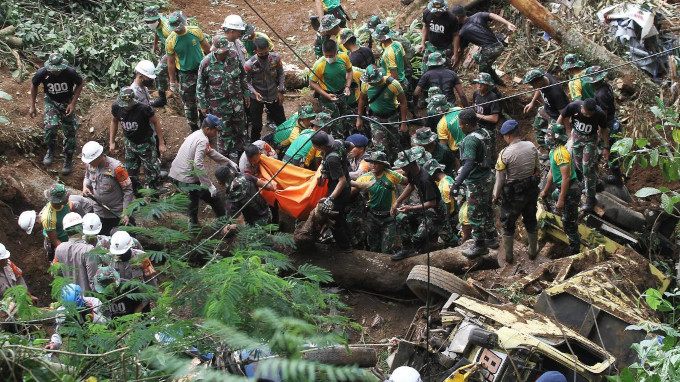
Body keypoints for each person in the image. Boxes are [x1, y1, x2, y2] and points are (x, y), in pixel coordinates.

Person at [169, 115, 238, 227]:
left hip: (175, 175)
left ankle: (193, 224)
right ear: (207, 129)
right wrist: (209, 185)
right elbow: (198, 164)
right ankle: (224, 225)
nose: (216, 134)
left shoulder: (196, 134)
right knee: (214, 197)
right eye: (215, 130)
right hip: (186, 178)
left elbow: (211, 152)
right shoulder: (202, 140)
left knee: (194, 198)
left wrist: (228, 162)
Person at [492, 120, 540, 263]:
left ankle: (509, 256)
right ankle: (532, 251)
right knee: (531, 220)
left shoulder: (505, 154)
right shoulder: (532, 147)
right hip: (531, 190)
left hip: (513, 195)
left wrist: (495, 196)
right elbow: (537, 169)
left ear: (507, 136)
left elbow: (500, 179)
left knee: (508, 224)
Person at [29, 53, 85, 175]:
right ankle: (50, 150)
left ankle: (68, 158)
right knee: (50, 126)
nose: (56, 72)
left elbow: (80, 83)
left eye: (58, 70)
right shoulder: (42, 73)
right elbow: (34, 85)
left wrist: (73, 103)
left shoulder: (70, 72)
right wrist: (32, 106)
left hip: (66, 101)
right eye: (53, 70)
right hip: (51, 101)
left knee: (69, 131)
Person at [197, 35, 251, 159]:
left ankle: (241, 157)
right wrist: (203, 105)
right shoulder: (206, 63)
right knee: (223, 133)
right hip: (219, 106)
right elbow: (200, 86)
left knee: (241, 130)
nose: (226, 53)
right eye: (223, 51)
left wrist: (246, 92)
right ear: (215, 50)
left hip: (236, 101)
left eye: (227, 50)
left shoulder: (233, 56)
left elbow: (242, 75)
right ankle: (225, 161)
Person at [452, 109, 496, 258]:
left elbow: (469, 164)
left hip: (477, 181)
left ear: (467, 125)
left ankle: (479, 245)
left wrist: (457, 183)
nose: (459, 127)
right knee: (487, 208)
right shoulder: (484, 132)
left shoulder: (471, 140)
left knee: (475, 213)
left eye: (460, 124)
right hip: (489, 176)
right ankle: (491, 237)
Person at [390, 149, 448, 260]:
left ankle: (417, 248)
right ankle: (407, 248)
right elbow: (411, 185)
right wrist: (397, 202)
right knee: (401, 217)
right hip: (422, 205)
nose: (401, 168)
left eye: (403, 166)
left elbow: (433, 203)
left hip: (435, 210)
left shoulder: (425, 179)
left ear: (411, 164)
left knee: (421, 236)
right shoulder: (412, 172)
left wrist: (411, 208)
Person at [109, 87, 166, 192]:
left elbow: (156, 122)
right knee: (131, 174)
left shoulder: (143, 108)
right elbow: (114, 121)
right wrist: (111, 141)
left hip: (146, 144)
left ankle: (155, 195)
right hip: (130, 143)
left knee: (152, 172)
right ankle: (138, 195)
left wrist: (161, 143)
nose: (127, 107)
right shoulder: (116, 107)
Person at [557, 98, 609, 212]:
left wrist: (606, 147)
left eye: (590, 115)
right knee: (578, 164)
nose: (587, 116)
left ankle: (591, 198)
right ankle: (596, 182)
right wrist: (559, 131)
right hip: (576, 137)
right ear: (582, 108)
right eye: (585, 113)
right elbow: (562, 117)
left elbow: (604, 129)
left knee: (586, 168)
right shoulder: (574, 106)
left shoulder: (599, 114)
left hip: (590, 140)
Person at [351, 151, 407, 253]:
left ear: (383, 164)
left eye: (376, 163)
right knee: (373, 248)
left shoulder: (391, 175)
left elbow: (407, 182)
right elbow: (351, 191)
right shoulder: (365, 177)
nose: (373, 165)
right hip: (372, 217)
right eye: (371, 162)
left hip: (389, 217)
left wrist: (400, 201)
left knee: (388, 249)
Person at [165, 10, 211, 131]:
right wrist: (172, 81)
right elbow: (170, 62)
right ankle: (193, 127)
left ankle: (205, 124)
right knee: (189, 102)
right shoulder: (171, 40)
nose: (177, 30)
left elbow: (207, 48)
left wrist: (212, 65)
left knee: (204, 98)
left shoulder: (195, 31)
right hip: (185, 74)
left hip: (201, 69)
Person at [540, 123, 581, 255]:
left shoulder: (561, 153)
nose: (546, 137)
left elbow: (566, 178)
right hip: (562, 188)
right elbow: (551, 173)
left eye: (549, 135)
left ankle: (575, 251)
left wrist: (562, 199)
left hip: (570, 189)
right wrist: (545, 191)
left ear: (555, 137)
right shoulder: (553, 151)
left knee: (569, 224)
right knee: (554, 200)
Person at [452, 5, 516, 86]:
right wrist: (508, 23)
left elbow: (461, 50)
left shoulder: (463, 32)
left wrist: (456, 60)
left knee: (483, 77)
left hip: (490, 50)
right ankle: (498, 81)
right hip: (499, 44)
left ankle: (496, 94)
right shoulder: (478, 15)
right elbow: (493, 15)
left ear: (457, 17)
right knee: (477, 57)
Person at [81, 141, 134, 236]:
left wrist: (126, 212)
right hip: (99, 212)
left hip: (116, 213)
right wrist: (85, 187)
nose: (89, 164)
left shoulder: (117, 168)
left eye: (91, 161)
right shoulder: (90, 165)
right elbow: (87, 177)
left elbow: (128, 190)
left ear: (99, 157)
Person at [356, 65, 408, 160]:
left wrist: (403, 123)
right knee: (380, 146)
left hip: (392, 116)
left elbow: (403, 102)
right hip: (375, 117)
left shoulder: (393, 84)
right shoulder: (365, 85)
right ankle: (384, 164)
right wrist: (359, 118)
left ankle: (395, 163)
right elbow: (362, 100)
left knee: (395, 143)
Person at [313, 131, 352, 252]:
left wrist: (331, 199)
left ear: (319, 147)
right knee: (340, 216)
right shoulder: (339, 143)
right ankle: (350, 240)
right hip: (345, 186)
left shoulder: (332, 159)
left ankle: (345, 247)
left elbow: (342, 181)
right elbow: (351, 145)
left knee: (333, 218)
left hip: (339, 189)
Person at [582, 66, 622, 184]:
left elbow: (603, 115)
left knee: (605, 149)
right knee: (610, 148)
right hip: (612, 120)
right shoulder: (606, 86)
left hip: (608, 124)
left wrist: (599, 132)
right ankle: (616, 174)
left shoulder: (600, 94)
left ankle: (615, 177)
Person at [245, 37, 286, 143]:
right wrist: (254, 92)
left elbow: (281, 73)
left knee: (281, 121)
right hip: (257, 96)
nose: (264, 55)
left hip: (273, 94)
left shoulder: (275, 58)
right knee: (256, 124)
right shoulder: (250, 64)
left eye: (266, 52)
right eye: (261, 53)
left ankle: (284, 140)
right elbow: (246, 82)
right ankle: (254, 143)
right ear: (255, 51)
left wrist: (281, 91)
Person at [309, 39, 353, 135]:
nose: (329, 58)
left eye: (331, 56)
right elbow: (312, 82)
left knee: (346, 117)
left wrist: (347, 86)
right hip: (327, 96)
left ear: (336, 52)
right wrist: (327, 95)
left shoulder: (344, 57)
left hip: (342, 93)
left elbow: (349, 71)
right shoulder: (319, 65)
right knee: (334, 123)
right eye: (326, 55)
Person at [45, 283, 106, 350]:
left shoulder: (95, 303)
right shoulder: (61, 312)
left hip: (100, 342)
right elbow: (58, 332)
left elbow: (107, 323)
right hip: (77, 346)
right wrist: (54, 345)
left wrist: (92, 315)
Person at [522, 68, 570, 152]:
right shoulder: (544, 78)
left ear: (539, 82)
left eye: (533, 85)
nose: (533, 87)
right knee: (536, 126)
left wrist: (568, 131)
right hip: (547, 109)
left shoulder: (556, 92)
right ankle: (544, 147)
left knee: (550, 138)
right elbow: (539, 89)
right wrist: (532, 102)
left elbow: (564, 113)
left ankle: (556, 150)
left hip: (557, 116)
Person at [55, 212, 99, 292]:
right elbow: (94, 281)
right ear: (82, 227)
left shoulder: (59, 249)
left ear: (65, 230)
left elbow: (58, 275)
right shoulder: (88, 250)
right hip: (88, 300)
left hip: (70, 298)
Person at [422, 158, 459, 245]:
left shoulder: (444, 186)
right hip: (455, 212)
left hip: (451, 216)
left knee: (451, 239)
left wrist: (446, 220)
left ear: (433, 173)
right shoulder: (448, 178)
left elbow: (447, 204)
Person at [142, 6, 171, 107]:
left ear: (158, 19)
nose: (149, 24)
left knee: (159, 71)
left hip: (175, 51)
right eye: (147, 22)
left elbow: (176, 44)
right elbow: (156, 31)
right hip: (169, 48)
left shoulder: (167, 29)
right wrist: (155, 44)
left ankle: (162, 98)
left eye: (151, 21)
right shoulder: (157, 24)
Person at [418, 0, 459, 70]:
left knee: (444, 70)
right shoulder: (427, 13)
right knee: (426, 69)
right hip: (431, 46)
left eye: (439, 11)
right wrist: (422, 43)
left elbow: (456, 35)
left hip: (445, 48)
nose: (437, 13)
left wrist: (455, 54)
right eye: (435, 12)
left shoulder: (451, 18)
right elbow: (425, 27)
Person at [41, 184, 74, 261]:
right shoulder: (48, 218)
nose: (68, 197)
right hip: (58, 242)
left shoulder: (65, 203)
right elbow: (55, 241)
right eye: (65, 197)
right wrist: (68, 252)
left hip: (67, 236)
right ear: (59, 201)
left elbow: (70, 210)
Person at [472, 72, 501, 157]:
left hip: (489, 129)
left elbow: (495, 118)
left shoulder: (492, 97)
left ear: (487, 85)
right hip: (477, 127)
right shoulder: (476, 93)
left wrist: (477, 115)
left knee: (490, 151)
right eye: (478, 83)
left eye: (482, 84)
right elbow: (474, 106)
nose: (479, 86)